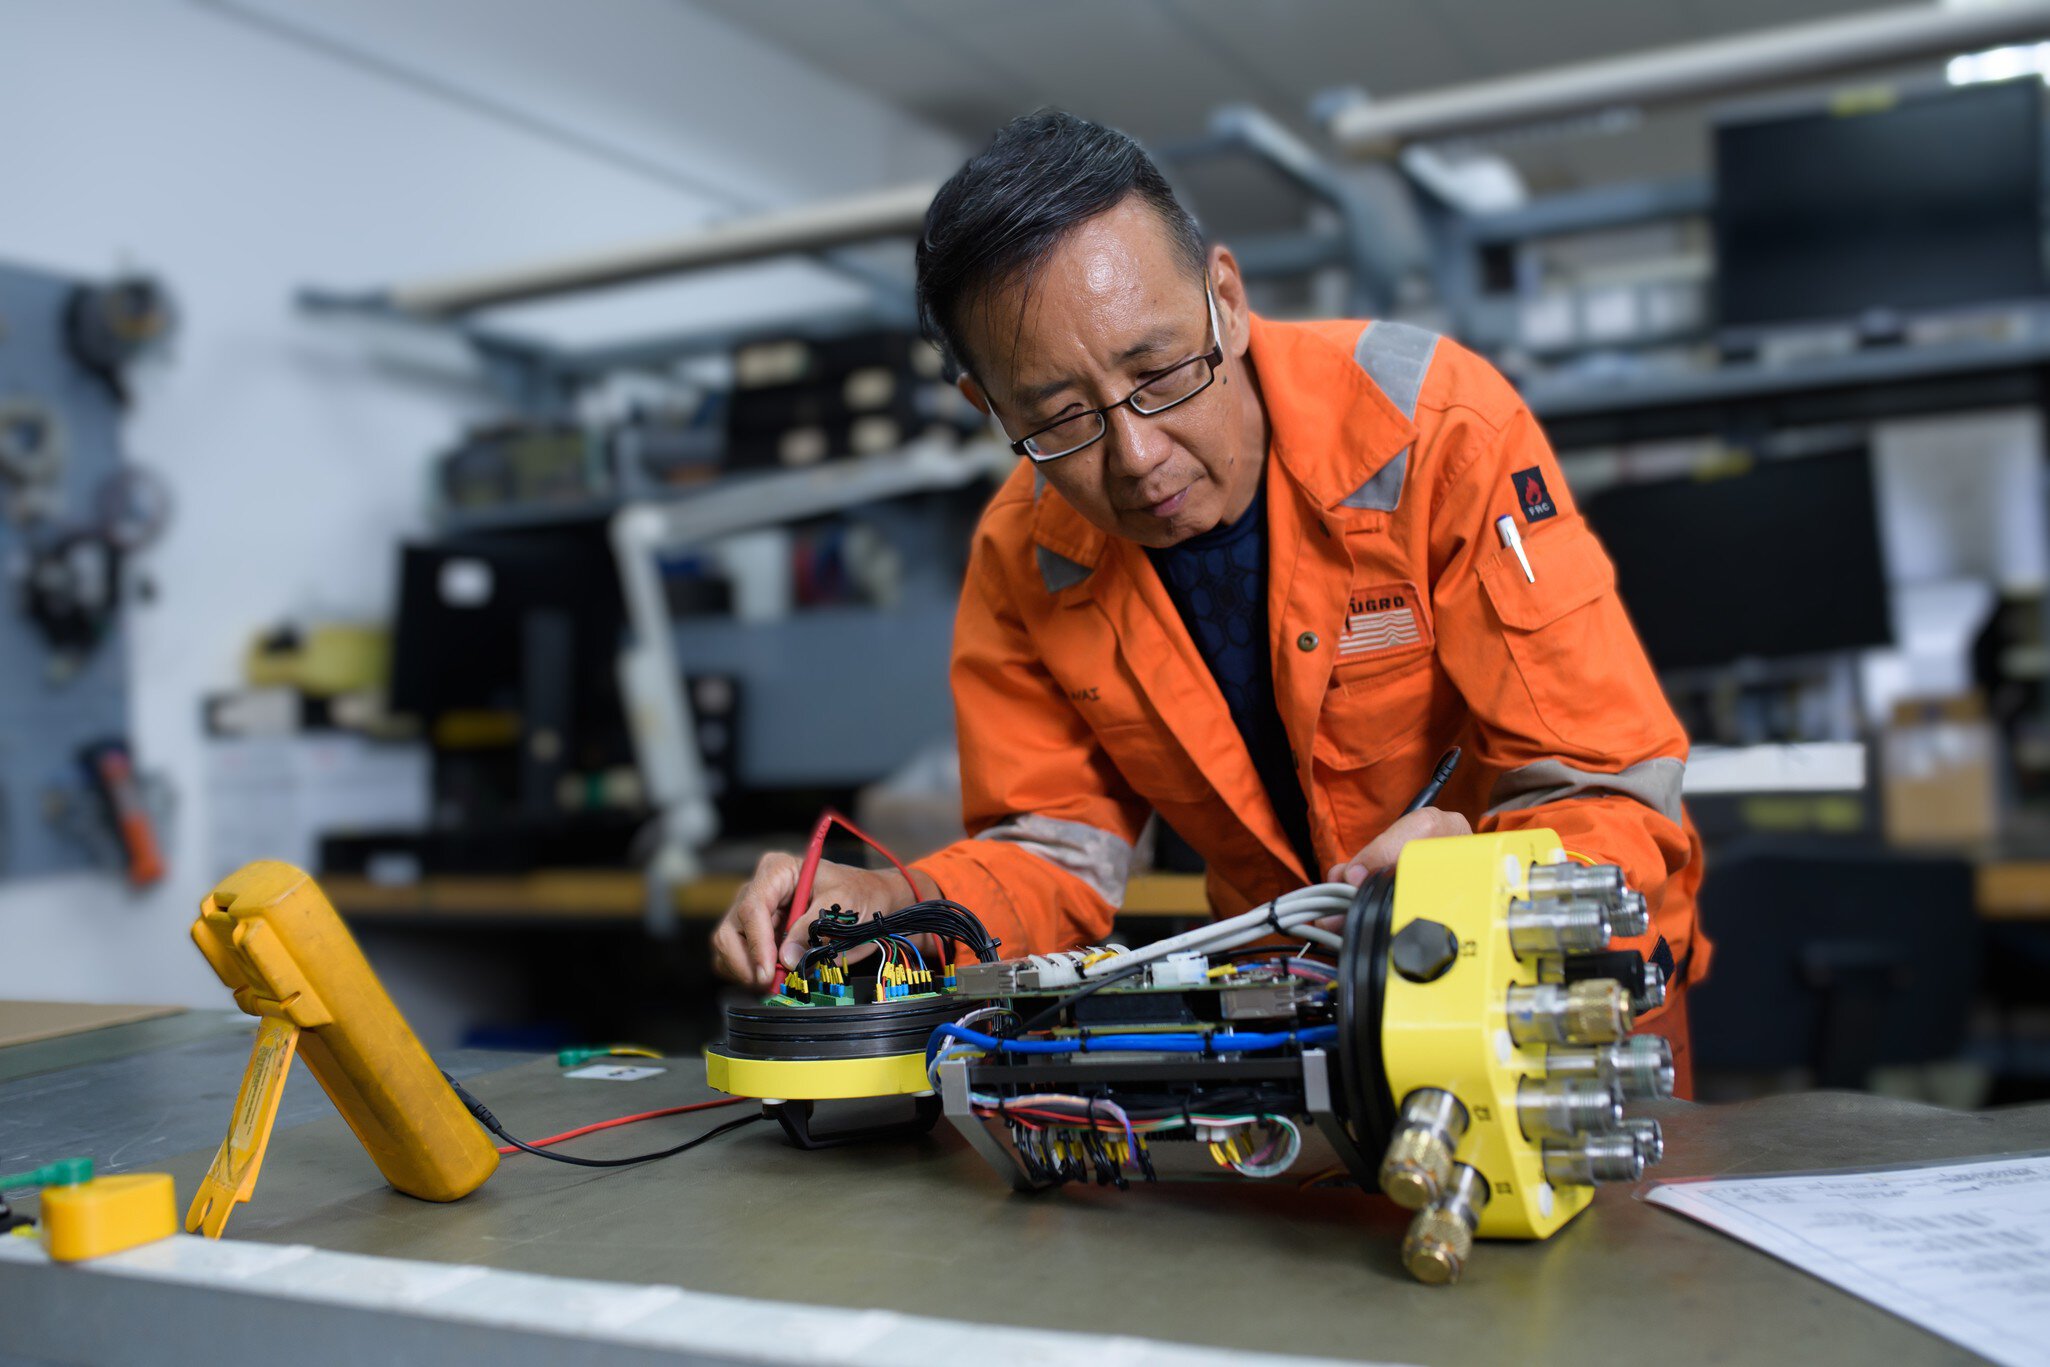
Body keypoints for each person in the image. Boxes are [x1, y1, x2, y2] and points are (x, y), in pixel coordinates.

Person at [711, 110, 1708, 1091]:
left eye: (1160, 373)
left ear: (1224, 299)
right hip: (1301, 1042)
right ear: (989, 410)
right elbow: (1051, 864)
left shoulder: (1435, 432)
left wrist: (1479, 876)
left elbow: (1612, 800)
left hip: (1554, 1021)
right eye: (1058, 418)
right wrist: (896, 904)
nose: (1136, 458)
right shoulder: (1025, 555)